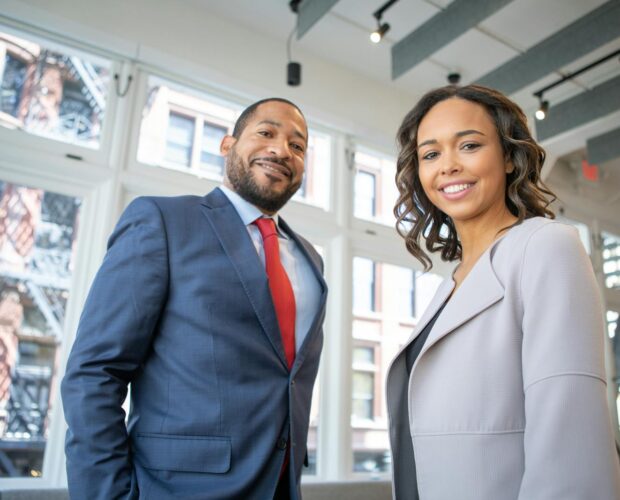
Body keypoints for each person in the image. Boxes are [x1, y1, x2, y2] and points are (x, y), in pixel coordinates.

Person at [61, 98, 327, 500]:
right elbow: (96, 372)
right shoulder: (162, 222)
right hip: (175, 487)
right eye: (266, 133)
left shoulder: (311, 260)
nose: (281, 150)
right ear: (227, 145)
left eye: (298, 145)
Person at [386, 84, 620, 499]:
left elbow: (571, 447)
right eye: (431, 154)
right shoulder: (451, 284)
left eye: (469, 145)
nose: (448, 166)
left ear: (510, 157)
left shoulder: (546, 246)